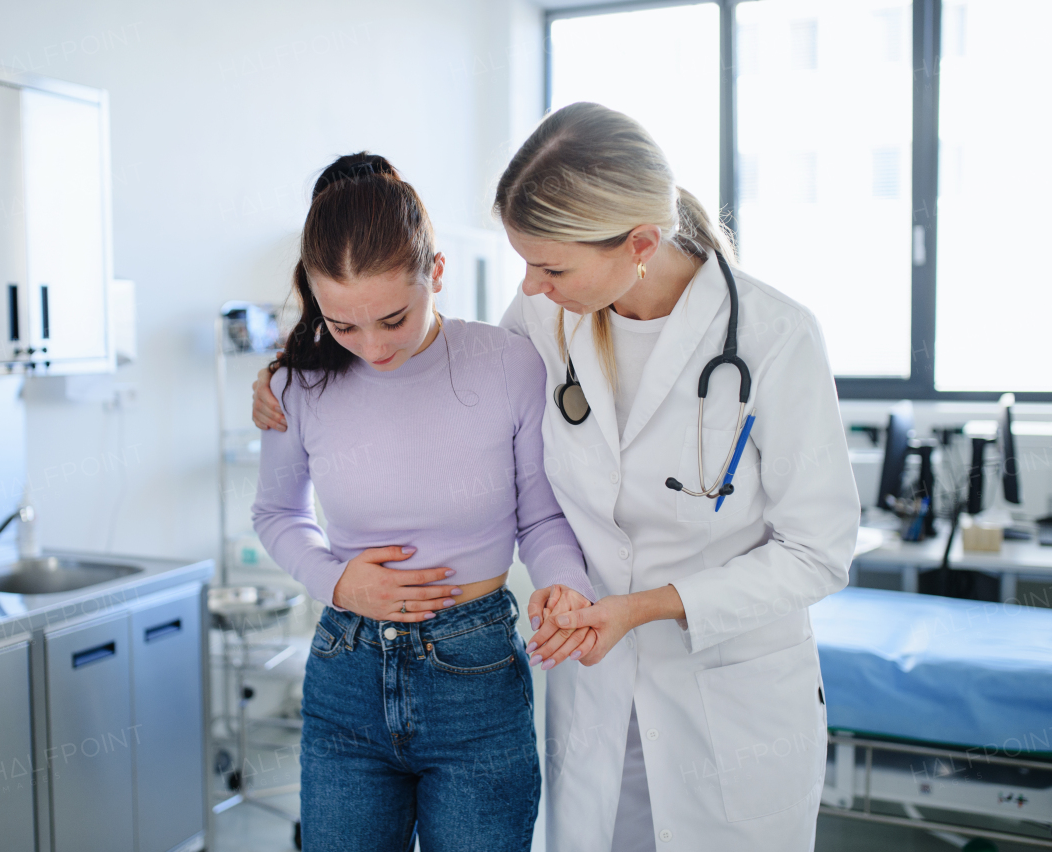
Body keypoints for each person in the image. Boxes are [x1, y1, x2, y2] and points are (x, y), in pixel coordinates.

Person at [255, 106, 861, 851]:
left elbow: (819, 551)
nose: (530, 287)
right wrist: (298, 369)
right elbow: (435, 373)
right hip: (592, 671)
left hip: (727, 688)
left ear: (640, 244)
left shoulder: (775, 337)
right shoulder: (549, 314)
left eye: (550, 267)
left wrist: (642, 607)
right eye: (525, 264)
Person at [250, 152, 598, 852]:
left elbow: (541, 517)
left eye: (392, 318)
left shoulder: (507, 364)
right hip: (346, 675)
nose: (372, 348)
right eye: (342, 325)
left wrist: (566, 584)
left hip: (475, 681)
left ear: (435, 274)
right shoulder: (296, 385)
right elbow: (277, 514)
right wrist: (337, 579)